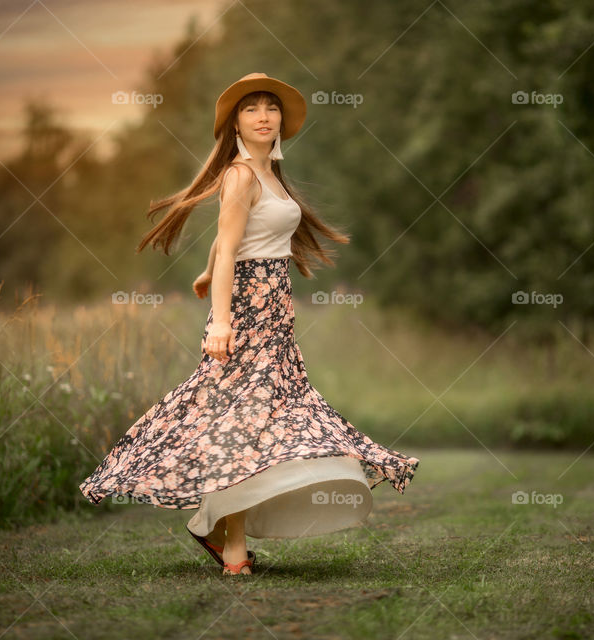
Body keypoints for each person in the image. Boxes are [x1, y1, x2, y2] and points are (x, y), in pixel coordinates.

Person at [79, 72, 420, 576]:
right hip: (245, 318)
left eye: (271, 108)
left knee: (262, 423)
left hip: (275, 313)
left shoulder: (270, 176)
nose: (264, 116)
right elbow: (232, 243)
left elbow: (229, 241)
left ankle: (215, 526)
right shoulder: (239, 175)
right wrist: (219, 320)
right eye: (252, 109)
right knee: (241, 427)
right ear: (235, 123)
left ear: (281, 120)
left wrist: (207, 268)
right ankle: (230, 545)